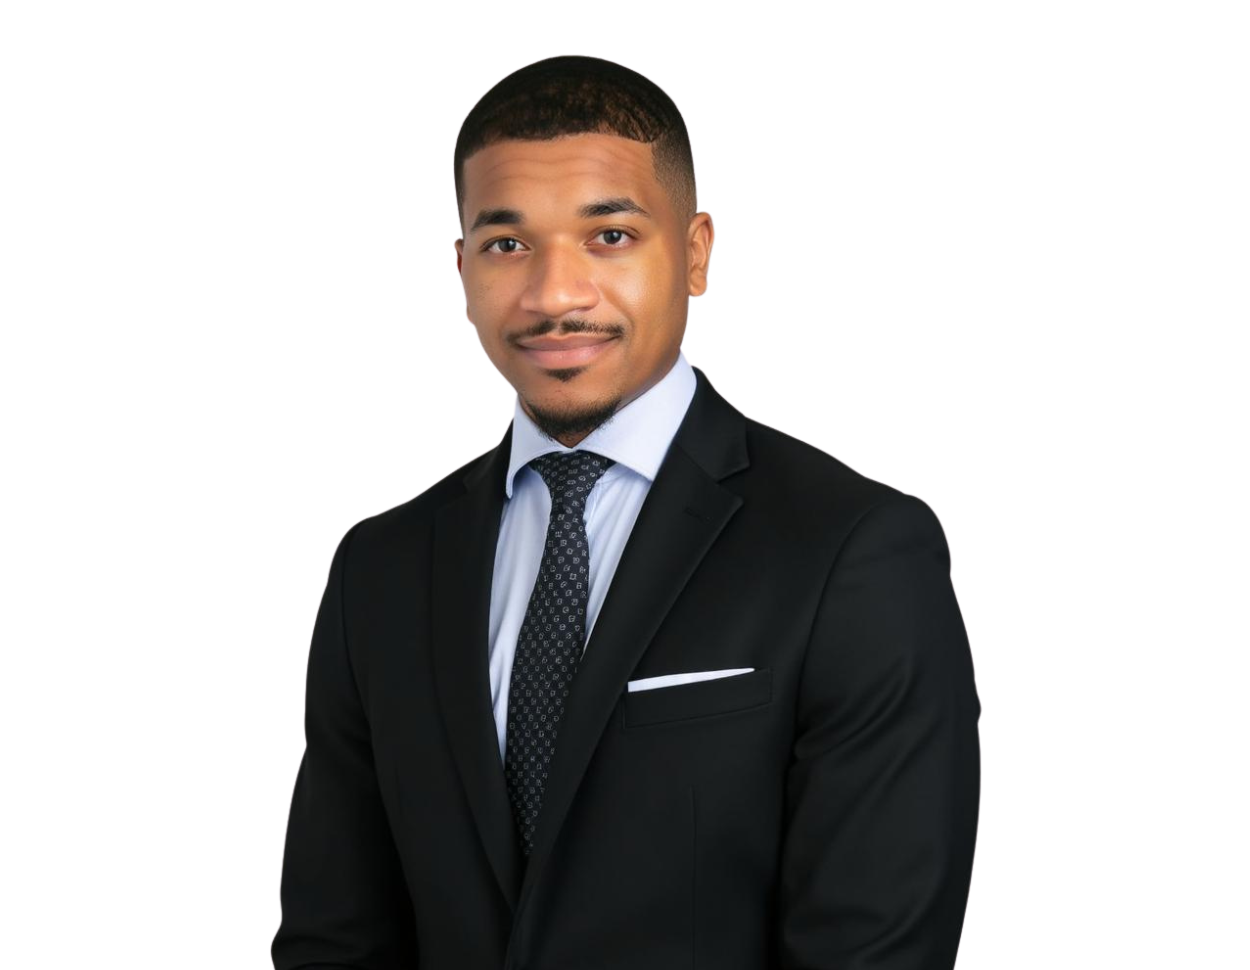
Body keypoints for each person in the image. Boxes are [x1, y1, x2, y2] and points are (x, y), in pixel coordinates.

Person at [272, 54, 980, 970]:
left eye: (609, 236)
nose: (554, 295)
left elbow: (873, 954)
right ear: (461, 272)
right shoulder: (379, 564)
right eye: (507, 243)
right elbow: (333, 934)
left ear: (696, 253)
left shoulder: (853, 547)